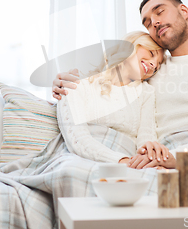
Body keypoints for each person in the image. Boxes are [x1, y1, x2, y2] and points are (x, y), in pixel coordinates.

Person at [53, 0, 188, 170]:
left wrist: (176, 157)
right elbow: (114, 77)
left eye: (160, 12)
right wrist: (64, 82)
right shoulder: (150, 71)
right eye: (147, 22)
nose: (154, 22)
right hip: (158, 154)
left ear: (183, 11)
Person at [58, 30, 170, 166]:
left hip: (130, 162)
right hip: (84, 158)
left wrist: (145, 160)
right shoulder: (78, 81)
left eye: (157, 66)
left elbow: (146, 138)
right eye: (151, 54)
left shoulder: (146, 93)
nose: (153, 65)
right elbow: (76, 138)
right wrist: (121, 161)